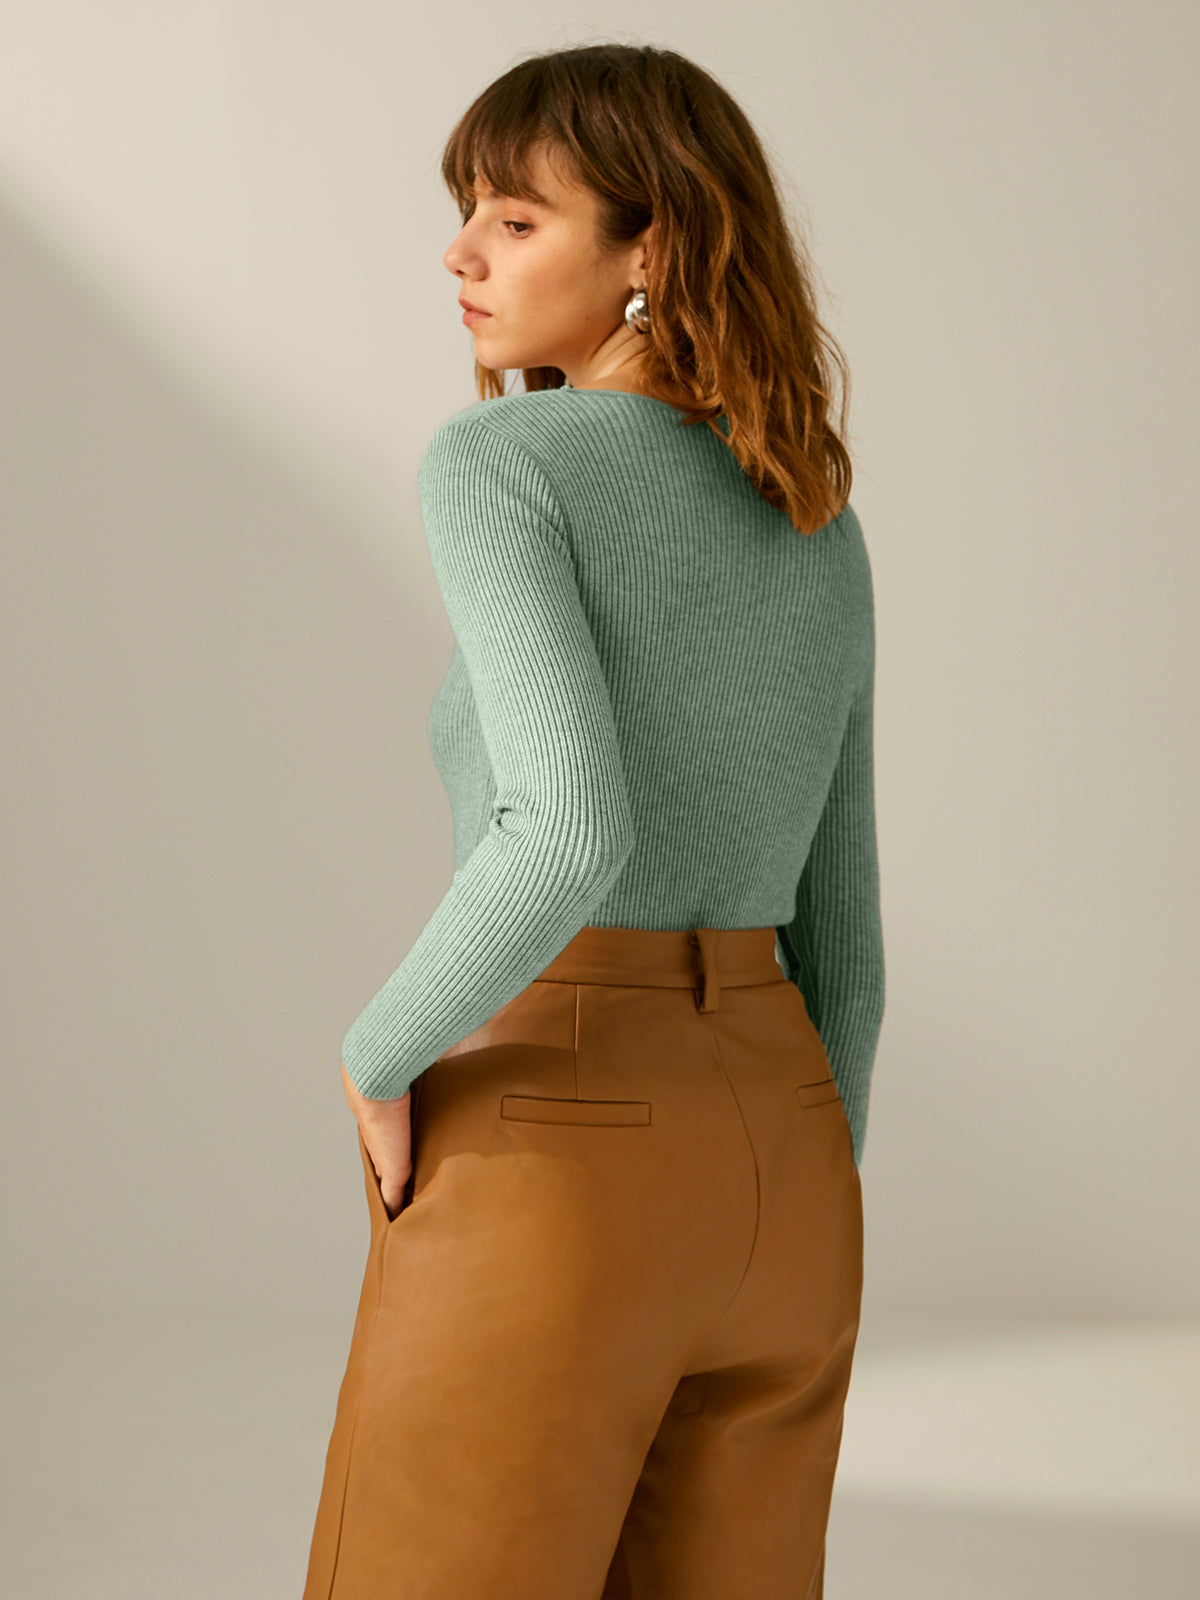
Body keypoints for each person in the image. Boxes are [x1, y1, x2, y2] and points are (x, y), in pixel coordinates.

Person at [303, 40, 884, 1600]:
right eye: (468, 214)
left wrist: (375, 1055)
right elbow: (846, 946)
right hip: (788, 1167)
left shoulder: (505, 465)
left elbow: (565, 833)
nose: (461, 253)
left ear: (653, 251)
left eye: (514, 218)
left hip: (558, 1153)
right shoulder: (814, 516)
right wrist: (788, 1176)